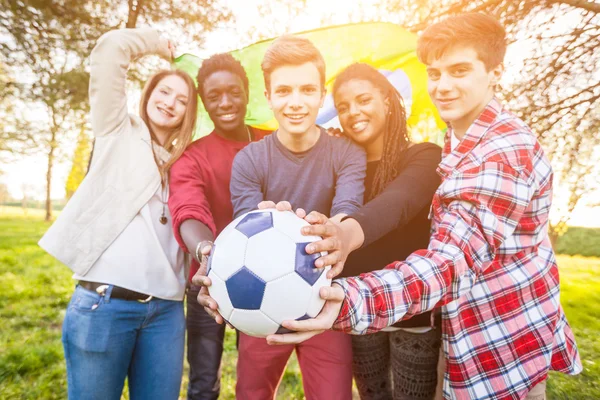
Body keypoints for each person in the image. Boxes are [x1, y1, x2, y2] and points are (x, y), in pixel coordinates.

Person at [263, 14, 582, 400]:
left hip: (503, 344)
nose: (443, 87)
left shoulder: (501, 153)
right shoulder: (461, 142)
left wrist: (349, 299)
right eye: (434, 74)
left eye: (459, 70)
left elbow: (448, 262)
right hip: (472, 335)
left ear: (495, 72)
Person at [197, 35, 366, 399]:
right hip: (259, 303)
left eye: (307, 89)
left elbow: (345, 215)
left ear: (322, 95)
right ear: (269, 97)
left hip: (325, 301)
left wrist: (327, 230)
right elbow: (249, 232)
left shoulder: (347, 154)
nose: (295, 102)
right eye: (284, 90)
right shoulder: (250, 160)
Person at [38, 28, 198, 400]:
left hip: (166, 315)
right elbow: (111, 49)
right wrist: (158, 44)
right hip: (104, 306)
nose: (171, 103)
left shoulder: (186, 163)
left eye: (182, 100)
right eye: (164, 92)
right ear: (148, 95)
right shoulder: (117, 131)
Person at [325, 62, 443, 399]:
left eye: (364, 100)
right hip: (358, 312)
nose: (353, 112)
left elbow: (399, 201)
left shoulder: (423, 156)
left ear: (388, 101)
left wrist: (347, 234)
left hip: (414, 319)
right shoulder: (343, 167)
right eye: (343, 107)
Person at [168, 53, 269, 400]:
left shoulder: (274, 141)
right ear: (204, 103)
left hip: (268, 282)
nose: (225, 102)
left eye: (234, 92)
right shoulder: (191, 156)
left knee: (255, 384)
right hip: (206, 284)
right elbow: (188, 208)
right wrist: (206, 251)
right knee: (203, 382)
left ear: (246, 92)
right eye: (214, 96)